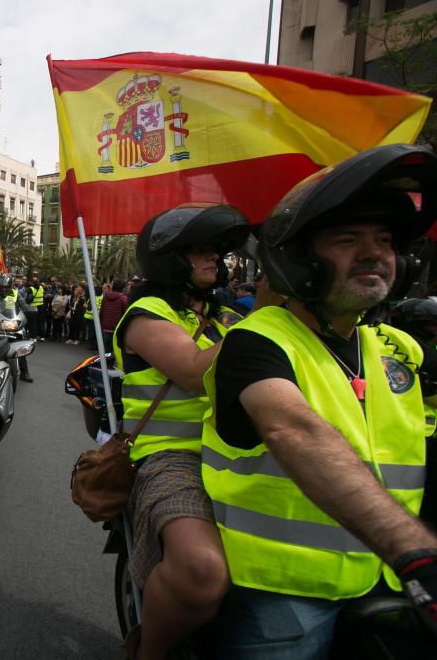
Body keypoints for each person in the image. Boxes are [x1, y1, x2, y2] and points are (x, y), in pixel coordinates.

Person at [201, 144, 437, 658]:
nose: (374, 252)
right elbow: (293, 430)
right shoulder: (257, 341)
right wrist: (413, 548)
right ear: (297, 260)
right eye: (349, 239)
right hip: (288, 596)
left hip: (392, 582)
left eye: (385, 240)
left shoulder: (399, 349)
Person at [114, 203, 250, 660]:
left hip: (243, 454)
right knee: (202, 569)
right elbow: (194, 370)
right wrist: (274, 318)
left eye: (218, 251)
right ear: (169, 258)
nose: (216, 259)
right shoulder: (146, 314)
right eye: (200, 250)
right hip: (174, 457)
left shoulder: (229, 318)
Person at [0, 273, 33, 382]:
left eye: (6, 287)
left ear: (10, 286)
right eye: (1, 287)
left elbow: (23, 306)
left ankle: (25, 372)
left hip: (13, 323)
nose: (3, 289)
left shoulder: (16, 294)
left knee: (21, 346)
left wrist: (27, 310)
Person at [100, 278, 130, 352]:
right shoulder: (124, 298)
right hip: (117, 328)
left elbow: (102, 311)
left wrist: (101, 324)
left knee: (107, 350)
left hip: (106, 327)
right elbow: (126, 314)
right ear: (123, 288)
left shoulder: (105, 297)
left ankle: (106, 363)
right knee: (117, 351)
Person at [25, 274, 45, 341]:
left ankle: (34, 337)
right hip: (41, 306)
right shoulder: (41, 288)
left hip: (34, 307)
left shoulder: (31, 289)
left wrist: (26, 301)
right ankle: (42, 336)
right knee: (41, 322)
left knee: (33, 323)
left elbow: (28, 299)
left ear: (32, 282)